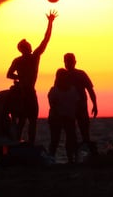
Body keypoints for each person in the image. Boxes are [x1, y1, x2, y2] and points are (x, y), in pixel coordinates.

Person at [6, 10, 58, 144]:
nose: (30, 46)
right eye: (28, 45)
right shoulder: (31, 57)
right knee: (27, 120)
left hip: (27, 92)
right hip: (25, 93)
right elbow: (45, 40)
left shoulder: (26, 58)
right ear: (24, 48)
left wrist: (50, 22)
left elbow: (9, 74)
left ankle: (25, 143)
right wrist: (50, 22)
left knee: (27, 120)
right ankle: (24, 143)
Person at [63, 53, 98, 147]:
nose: (68, 63)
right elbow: (57, 92)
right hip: (69, 109)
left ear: (74, 62)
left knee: (84, 131)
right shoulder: (62, 76)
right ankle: (73, 156)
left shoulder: (81, 74)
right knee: (71, 133)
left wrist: (95, 104)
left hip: (80, 107)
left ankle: (83, 152)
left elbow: (90, 90)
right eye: (67, 61)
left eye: (70, 61)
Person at [48, 69, 79, 164]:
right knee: (55, 140)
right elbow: (52, 105)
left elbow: (76, 103)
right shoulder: (54, 90)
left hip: (69, 117)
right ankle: (51, 159)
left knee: (71, 139)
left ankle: (71, 159)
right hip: (56, 118)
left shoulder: (73, 89)